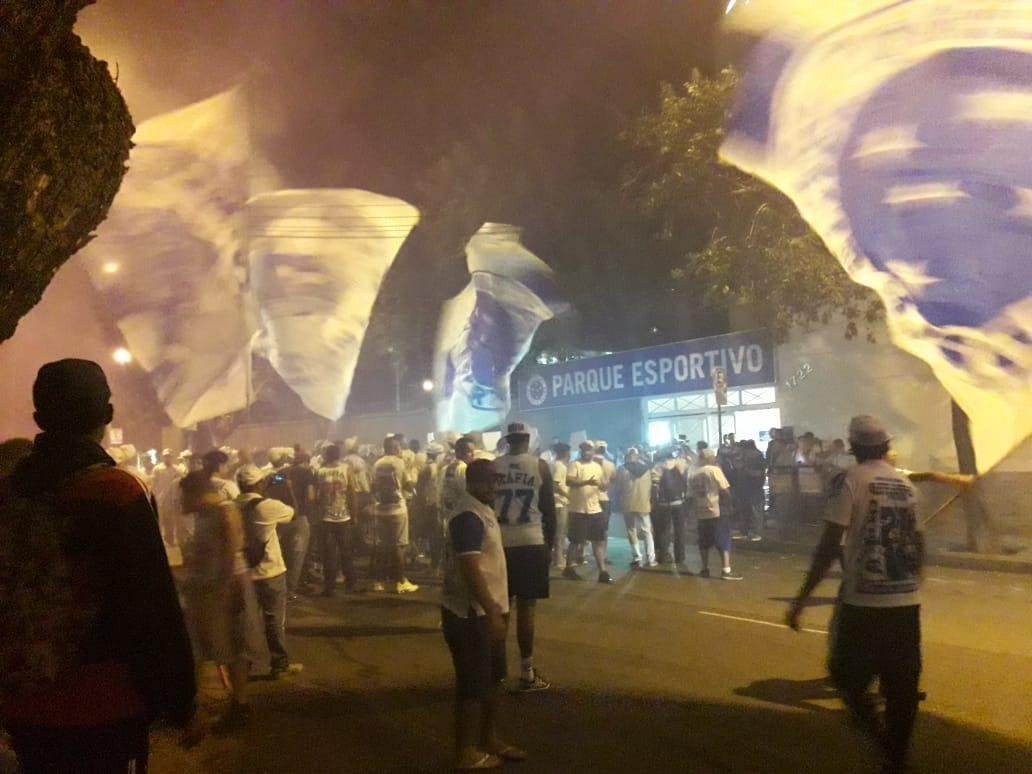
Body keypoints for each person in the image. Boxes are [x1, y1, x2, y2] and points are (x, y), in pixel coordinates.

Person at [1, 359, 196, 771]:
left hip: (23, 699)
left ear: (39, 418)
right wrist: (177, 700)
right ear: (106, 415)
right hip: (104, 705)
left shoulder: (8, 493)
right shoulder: (115, 493)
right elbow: (151, 609)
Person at [788, 416, 924, 773]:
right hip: (906, 602)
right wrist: (914, 580)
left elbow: (829, 543)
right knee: (902, 688)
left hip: (863, 602)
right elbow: (918, 542)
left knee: (844, 676)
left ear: (854, 448)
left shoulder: (852, 481)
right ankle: (897, 756)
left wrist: (802, 599)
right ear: (885, 446)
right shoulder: (906, 486)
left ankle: (884, 746)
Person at [441, 459, 526, 770]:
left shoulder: (482, 510)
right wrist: (491, 610)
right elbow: (470, 567)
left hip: (487, 611)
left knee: (493, 678)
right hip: (469, 615)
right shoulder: (467, 516)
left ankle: (488, 739)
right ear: (473, 483)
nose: (495, 487)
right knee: (471, 685)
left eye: (496, 481)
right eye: (489, 481)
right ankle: (465, 752)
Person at [179, 466, 257, 732]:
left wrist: (222, 590)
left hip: (226, 590)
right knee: (202, 650)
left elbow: (231, 554)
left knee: (231, 649)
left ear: (197, 493)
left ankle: (240, 705)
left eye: (185, 496)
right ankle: (198, 709)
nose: (182, 503)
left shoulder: (225, 511)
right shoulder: (203, 515)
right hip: (207, 592)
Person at [493, 422, 556, 693]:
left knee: (500, 608)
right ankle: (527, 670)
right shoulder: (540, 466)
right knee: (527, 609)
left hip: (502, 543)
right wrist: (549, 546)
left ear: (508, 440)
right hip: (531, 541)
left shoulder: (494, 466)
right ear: (527, 440)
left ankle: (496, 669)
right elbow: (549, 511)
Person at [235, 466, 303, 678]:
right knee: (274, 621)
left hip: (243, 573)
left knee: (246, 623)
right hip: (270, 571)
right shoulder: (267, 507)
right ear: (259, 484)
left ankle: (244, 666)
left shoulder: (230, 506)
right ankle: (279, 664)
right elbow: (294, 514)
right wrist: (287, 487)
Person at [371, 436, 419, 594]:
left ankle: (378, 581)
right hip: (397, 508)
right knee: (399, 546)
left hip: (380, 509)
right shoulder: (399, 463)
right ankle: (401, 581)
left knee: (381, 546)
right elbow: (408, 484)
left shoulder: (377, 464)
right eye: (398, 446)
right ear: (394, 447)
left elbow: (373, 486)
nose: (400, 449)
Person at [689, 448, 743, 580]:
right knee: (723, 540)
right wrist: (731, 504)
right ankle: (726, 570)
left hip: (701, 511)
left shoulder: (694, 473)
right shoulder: (715, 470)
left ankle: (704, 568)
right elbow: (724, 489)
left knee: (704, 542)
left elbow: (690, 495)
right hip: (716, 510)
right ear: (710, 458)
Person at [563, 441, 612, 583]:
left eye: (589, 450)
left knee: (598, 541)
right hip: (578, 510)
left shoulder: (597, 466)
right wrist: (586, 482)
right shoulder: (575, 464)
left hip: (595, 509)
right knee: (576, 541)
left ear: (593, 451)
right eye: (584, 450)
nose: (586, 452)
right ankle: (569, 568)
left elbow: (602, 485)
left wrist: (604, 485)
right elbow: (569, 481)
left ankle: (602, 572)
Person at [316, 443, 359, 595]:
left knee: (329, 554)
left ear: (327, 455)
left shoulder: (320, 471)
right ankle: (351, 584)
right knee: (346, 552)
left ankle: (330, 587)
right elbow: (352, 493)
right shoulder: (346, 469)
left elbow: (317, 496)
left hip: (326, 517)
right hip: (344, 516)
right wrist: (354, 515)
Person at [613, 447, 656, 569]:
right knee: (647, 531)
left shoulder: (621, 469)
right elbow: (654, 483)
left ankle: (637, 557)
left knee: (631, 530)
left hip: (628, 504)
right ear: (638, 456)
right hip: (644, 503)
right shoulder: (647, 469)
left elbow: (618, 488)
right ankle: (651, 558)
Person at [652, 451, 688, 566]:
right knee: (680, 530)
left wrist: (654, 501)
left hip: (663, 504)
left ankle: (664, 554)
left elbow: (655, 487)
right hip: (678, 502)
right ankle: (680, 556)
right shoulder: (680, 463)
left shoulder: (658, 467)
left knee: (664, 530)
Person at [153, 448, 186, 547]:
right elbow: (154, 484)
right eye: (166, 456)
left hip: (171, 499)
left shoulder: (177, 470)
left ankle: (169, 540)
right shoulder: (158, 469)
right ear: (163, 457)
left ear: (172, 458)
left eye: (169, 456)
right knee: (159, 521)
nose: (168, 458)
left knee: (169, 521)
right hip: (160, 499)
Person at [736, 440, 766, 541]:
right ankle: (745, 531)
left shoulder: (757, 456)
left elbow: (759, 473)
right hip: (744, 488)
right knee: (745, 510)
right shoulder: (745, 458)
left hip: (755, 488)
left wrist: (745, 470)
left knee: (755, 510)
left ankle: (755, 532)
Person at [550, 443, 572, 570]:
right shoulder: (560, 467)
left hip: (555, 502)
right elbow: (555, 485)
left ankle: (556, 558)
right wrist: (568, 496)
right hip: (560, 503)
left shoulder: (553, 464)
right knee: (560, 533)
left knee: (556, 533)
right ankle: (559, 560)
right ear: (566, 453)